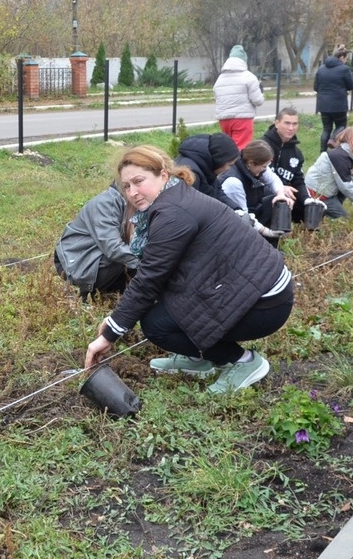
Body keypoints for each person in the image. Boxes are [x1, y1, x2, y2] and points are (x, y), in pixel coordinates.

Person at [84, 145, 294, 393]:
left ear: (163, 174)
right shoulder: (176, 196)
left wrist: (110, 333)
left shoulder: (172, 213)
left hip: (265, 302)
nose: (132, 192)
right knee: (166, 306)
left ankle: (244, 361)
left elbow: (149, 279)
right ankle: (200, 358)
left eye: (138, 181)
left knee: (156, 325)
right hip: (253, 284)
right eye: (126, 186)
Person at [53, 184, 140, 297]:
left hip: (98, 260)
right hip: (77, 263)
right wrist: (151, 264)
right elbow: (113, 248)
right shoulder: (106, 203)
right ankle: (85, 295)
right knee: (128, 259)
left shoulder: (136, 201)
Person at [306, 127, 353, 219]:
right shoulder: (339, 157)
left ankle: (327, 211)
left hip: (325, 191)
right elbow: (346, 186)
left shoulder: (343, 153)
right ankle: (321, 212)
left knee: (351, 180)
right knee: (344, 219)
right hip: (318, 195)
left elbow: (348, 181)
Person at [219, 140, 294, 229]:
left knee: (278, 201)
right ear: (251, 163)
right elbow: (244, 219)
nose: (265, 169)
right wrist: (266, 231)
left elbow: (273, 180)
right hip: (234, 223)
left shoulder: (253, 166)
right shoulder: (233, 183)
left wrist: (280, 195)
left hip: (252, 208)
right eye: (264, 166)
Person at [212, 45, 264, 149]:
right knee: (240, 148)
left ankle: (227, 165)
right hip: (242, 119)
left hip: (224, 120)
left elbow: (216, 96)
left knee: (228, 148)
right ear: (244, 61)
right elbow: (257, 101)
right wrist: (261, 93)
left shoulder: (220, 78)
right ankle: (238, 165)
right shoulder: (249, 77)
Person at [262, 107, 307, 224]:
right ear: (277, 123)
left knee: (311, 209)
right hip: (263, 193)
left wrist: (307, 200)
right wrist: (280, 189)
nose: (291, 128)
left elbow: (298, 180)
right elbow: (256, 177)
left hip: (287, 195)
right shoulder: (262, 146)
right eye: (287, 123)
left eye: (294, 124)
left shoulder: (297, 153)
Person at [173, 132, 240, 210]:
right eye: (230, 165)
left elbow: (217, 191)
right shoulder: (191, 175)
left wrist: (236, 210)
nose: (229, 169)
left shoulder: (206, 166)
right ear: (220, 160)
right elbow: (189, 209)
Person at [313, 44, 353, 151]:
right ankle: (333, 140)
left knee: (326, 129)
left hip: (323, 104)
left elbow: (316, 87)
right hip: (339, 105)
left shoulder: (321, 68)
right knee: (341, 126)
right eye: (346, 59)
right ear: (342, 58)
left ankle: (322, 152)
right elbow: (351, 86)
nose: (346, 61)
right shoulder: (344, 69)